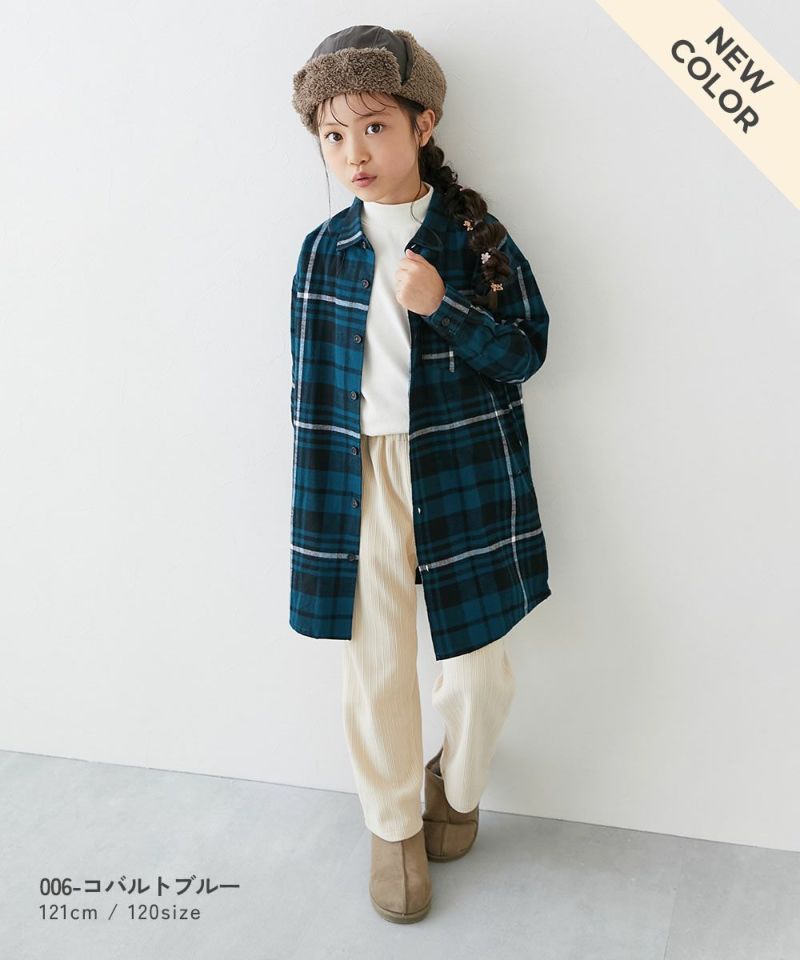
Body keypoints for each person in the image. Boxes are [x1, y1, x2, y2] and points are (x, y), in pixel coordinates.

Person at [289, 25, 552, 923]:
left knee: (479, 675)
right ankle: (393, 826)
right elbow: (307, 392)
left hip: (459, 467)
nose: (354, 154)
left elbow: (525, 354)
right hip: (356, 477)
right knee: (376, 667)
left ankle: (458, 786)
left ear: (422, 124)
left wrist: (443, 307)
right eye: (334, 135)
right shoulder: (322, 251)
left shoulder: (474, 238)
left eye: (374, 127)